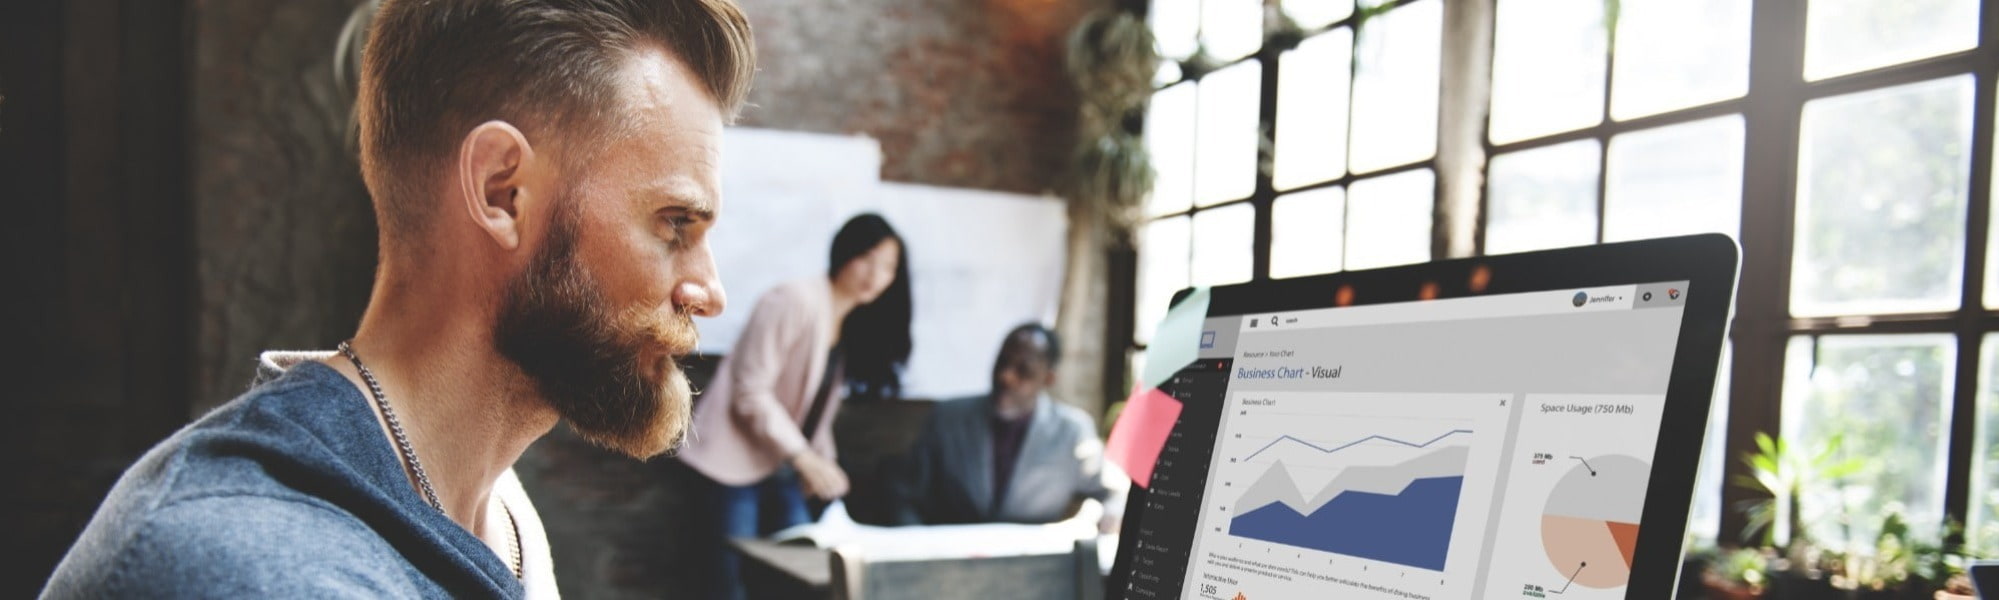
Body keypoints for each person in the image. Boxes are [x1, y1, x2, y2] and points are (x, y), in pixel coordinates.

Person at [41, 0, 755, 597]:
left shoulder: (500, 513)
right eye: (675, 224)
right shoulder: (253, 568)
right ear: (501, 190)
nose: (708, 291)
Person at [677, 213, 912, 599]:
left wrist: (825, 463)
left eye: (888, 267)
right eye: (867, 258)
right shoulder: (793, 299)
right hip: (732, 463)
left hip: (780, 465)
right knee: (729, 585)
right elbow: (749, 391)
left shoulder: (850, 323)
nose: (875, 275)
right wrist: (805, 458)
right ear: (845, 253)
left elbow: (815, 411)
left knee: (805, 577)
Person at [893, 324, 1123, 530]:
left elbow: (1114, 491)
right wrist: (918, 541)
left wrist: (1110, 514)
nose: (1006, 377)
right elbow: (904, 495)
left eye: (1024, 370)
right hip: (951, 561)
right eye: (1002, 362)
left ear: (1048, 379)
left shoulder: (1072, 431)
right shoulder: (947, 418)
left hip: (1035, 565)